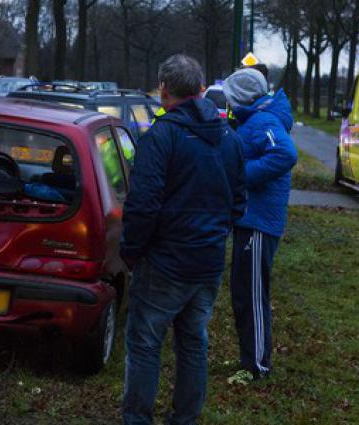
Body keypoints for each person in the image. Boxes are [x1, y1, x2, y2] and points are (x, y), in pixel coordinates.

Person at [120, 54, 246, 425]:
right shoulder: (229, 137)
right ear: (201, 89)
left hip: (165, 263)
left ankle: (138, 419)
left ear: (163, 90)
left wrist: (131, 251)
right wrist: (215, 234)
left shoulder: (161, 137)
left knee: (145, 343)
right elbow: (239, 201)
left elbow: (142, 205)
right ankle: (185, 418)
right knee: (193, 341)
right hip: (207, 263)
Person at [223, 67, 297, 381]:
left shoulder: (262, 121)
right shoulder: (253, 120)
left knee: (251, 295)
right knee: (244, 291)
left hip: (258, 223)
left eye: (229, 98)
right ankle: (251, 356)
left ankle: (256, 366)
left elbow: (285, 154)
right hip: (251, 220)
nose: (227, 104)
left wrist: (242, 175)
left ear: (240, 97)